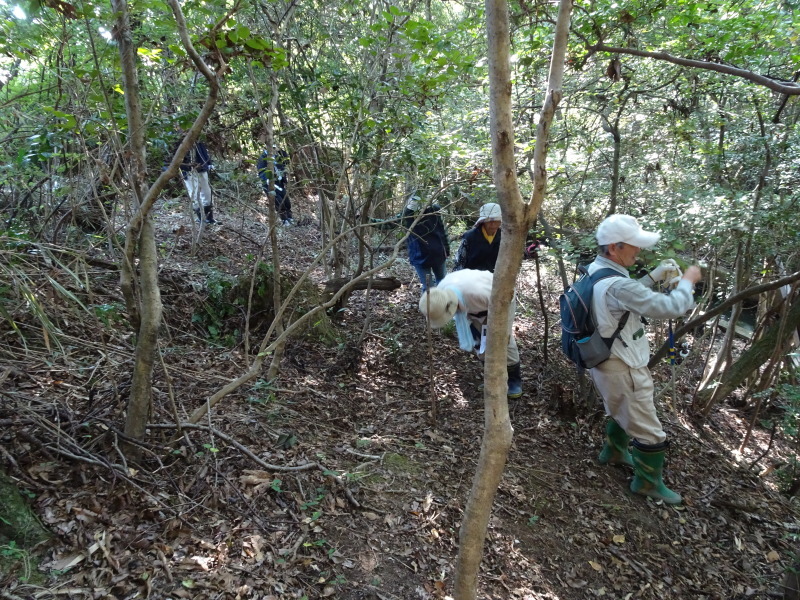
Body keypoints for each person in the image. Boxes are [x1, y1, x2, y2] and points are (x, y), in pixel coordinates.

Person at [588, 214, 702, 504]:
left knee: (620, 409)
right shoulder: (618, 283)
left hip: (605, 361)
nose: (639, 251)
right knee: (650, 431)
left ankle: (613, 452)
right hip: (623, 365)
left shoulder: (598, 269)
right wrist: (688, 282)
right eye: (634, 246)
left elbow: (622, 296)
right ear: (614, 248)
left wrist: (652, 277)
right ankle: (647, 483)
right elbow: (670, 307)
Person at [418, 268, 523, 398]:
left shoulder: (477, 293)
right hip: (473, 307)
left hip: (502, 298)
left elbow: (502, 301)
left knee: (502, 340)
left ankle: (513, 381)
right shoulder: (439, 295)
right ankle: (492, 378)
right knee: (479, 341)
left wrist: (493, 329)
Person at [372, 194, 450, 292]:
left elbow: (441, 231)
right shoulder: (409, 214)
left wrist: (446, 249)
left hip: (435, 254)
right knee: (430, 287)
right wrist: (369, 220)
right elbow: (388, 224)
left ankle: (441, 305)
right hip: (422, 257)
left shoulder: (433, 211)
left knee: (440, 284)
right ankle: (430, 307)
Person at [453, 202, 502, 272]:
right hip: (472, 278)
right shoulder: (469, 237)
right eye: (489, 221)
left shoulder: (503, 237)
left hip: (494, 278)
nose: (493, 224)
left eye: (496, 221)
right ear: (483, 222)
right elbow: (459, 262)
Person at [176, 138, 215, 224]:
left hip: (201, 167)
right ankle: (201, 218)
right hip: (187, 169)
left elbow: (202, 149)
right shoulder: (176, 136)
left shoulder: (196, 135)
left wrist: (209, 163)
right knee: (193, 192)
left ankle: (209, 218)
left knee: (207, 192)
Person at [257, 147, 292, 225]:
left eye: (274, 148)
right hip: (270, 183)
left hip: (280, 183)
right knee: (278, 201)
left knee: (286, 200)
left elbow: (286, 162)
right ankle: (284, 219)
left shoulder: (277, 157)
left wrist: (281, 151)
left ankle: (290, 217)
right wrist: (268, 180)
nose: (274, 149)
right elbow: (261, 172)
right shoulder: (262, 158)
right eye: (272, 148)